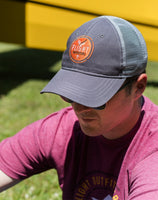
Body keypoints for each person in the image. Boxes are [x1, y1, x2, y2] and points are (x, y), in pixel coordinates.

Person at [0, 15, 158, 200]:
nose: (79, 108)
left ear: (138, 87)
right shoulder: (65, 129)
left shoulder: (152, 153)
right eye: (71, 93)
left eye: (94, 96)